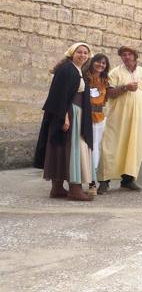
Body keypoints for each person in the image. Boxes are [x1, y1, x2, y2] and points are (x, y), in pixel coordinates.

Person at [34, 42, 94, 201]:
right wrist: (64, 117)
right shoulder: (67, 69)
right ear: (72, 53)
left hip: (77, 114)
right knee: (73, 149)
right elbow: (59, 96)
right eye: (79, 52)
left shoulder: (77, 70)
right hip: (70, 114)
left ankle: (57, 188)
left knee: (62, 149)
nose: (82, 55)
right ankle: (75, 189)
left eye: (85, 53)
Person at [96, 46, 142, 194]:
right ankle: (104, 181)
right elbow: (109, 93)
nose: (127, 57)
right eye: (124, 55)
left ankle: (128, 180)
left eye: (129, 54)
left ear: (135, 56)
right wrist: (125, 88)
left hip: (137, 120)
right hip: (117, 119)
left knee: (133, 148)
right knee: (110, 148)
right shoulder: (115, 73)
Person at [83, 53, 110, 196]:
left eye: (104, 63)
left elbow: (106, 98)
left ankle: (92, 181)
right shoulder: (85, 78)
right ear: (93, 62)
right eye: (98, 62)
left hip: (99, 118)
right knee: (85, 148)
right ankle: (85, 179)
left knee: (95, 149)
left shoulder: (105, 80)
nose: (101, 65)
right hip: (85, 117)